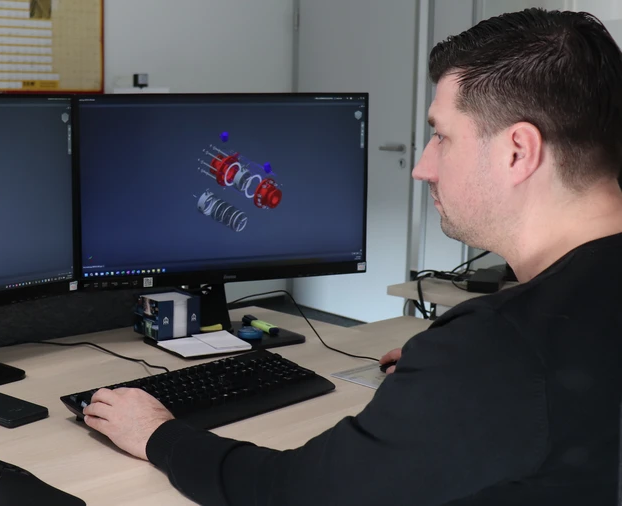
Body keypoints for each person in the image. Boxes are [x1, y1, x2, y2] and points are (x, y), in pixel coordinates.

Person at [82, 8, 622, 505]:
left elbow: (297, 494)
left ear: (517, 151)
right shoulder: (518, 342)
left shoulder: (496, 348)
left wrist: (158, 434)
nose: (422, 166)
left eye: (441, 136)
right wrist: (448, 380)